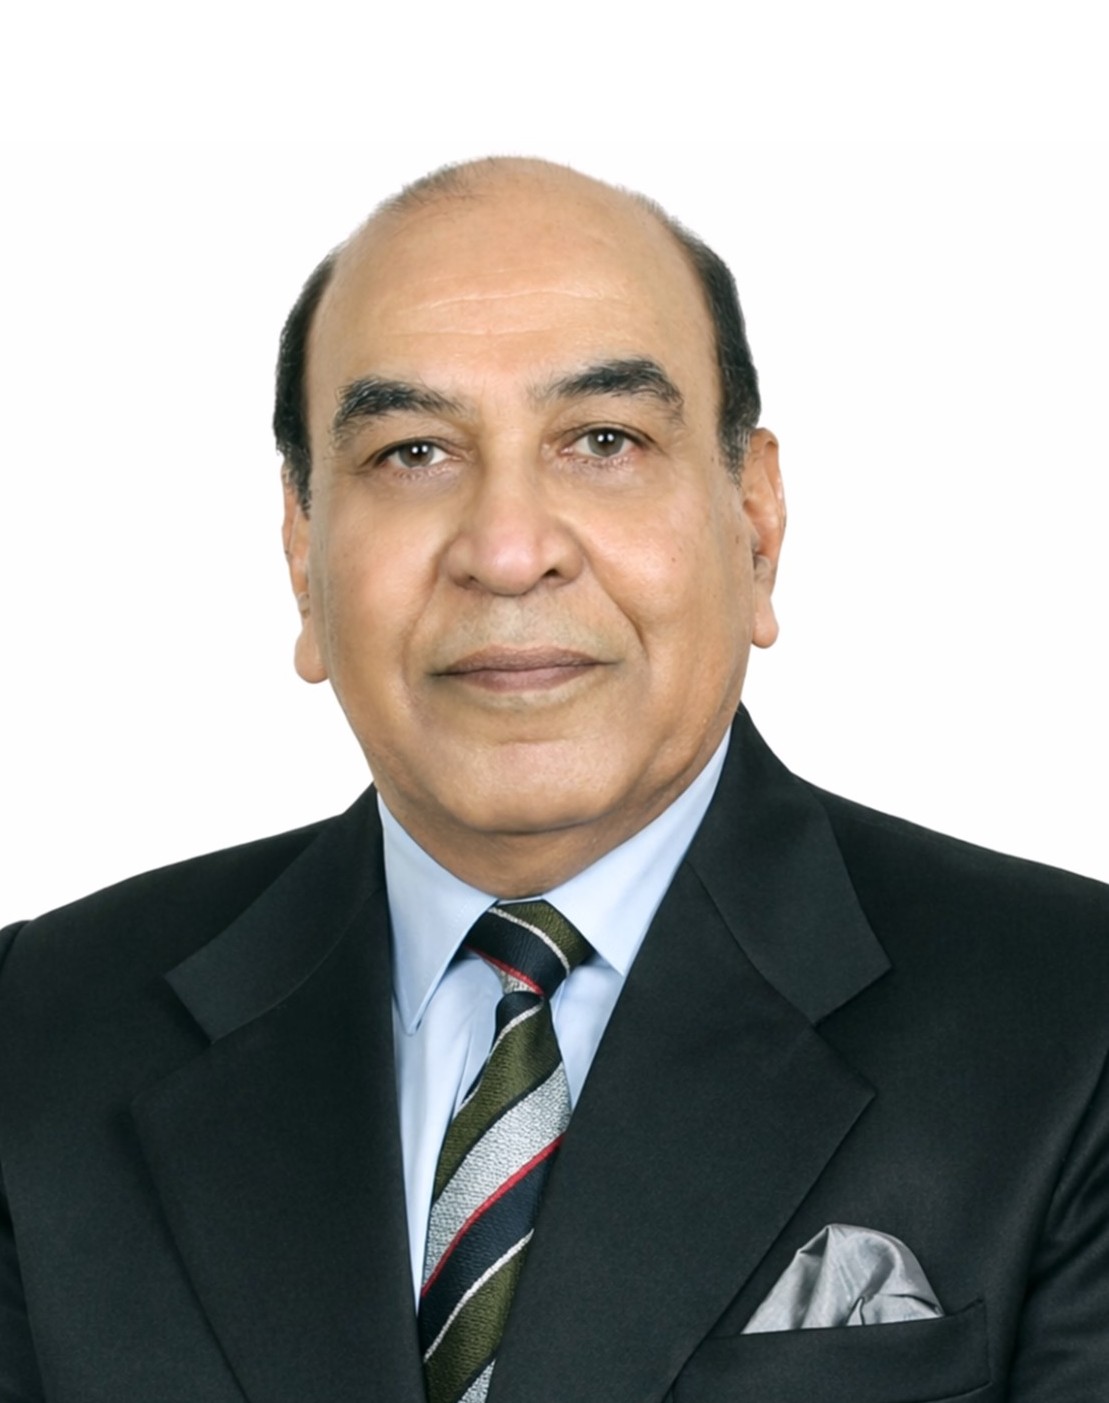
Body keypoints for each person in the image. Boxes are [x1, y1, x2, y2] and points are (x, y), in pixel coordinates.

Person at [1, 156, 1107, 1402]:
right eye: (413, 451)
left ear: (754, 522)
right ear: (303, 556)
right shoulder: (36, 1031)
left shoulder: (1072, 1019)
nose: (508, 548)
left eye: (602, 441)